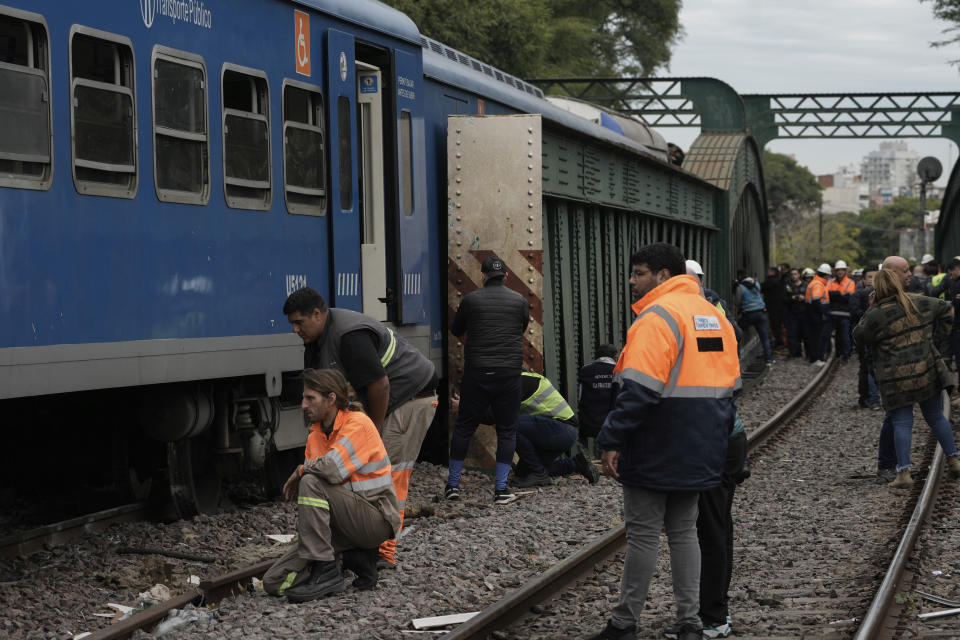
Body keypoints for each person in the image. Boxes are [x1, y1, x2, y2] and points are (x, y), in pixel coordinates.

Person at [586, 243, 740, 640]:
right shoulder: (713, 317)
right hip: (703, 446)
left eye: (638, 273)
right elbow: (731, 389)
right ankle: (690, 622)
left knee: (641, 534)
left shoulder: (657, 318)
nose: (632, 282)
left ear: (663, 276)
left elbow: (638, 390)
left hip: (656, 441)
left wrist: (612, 439)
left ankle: (623, 623)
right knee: (685, 532)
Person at [283, 287, 437, 569]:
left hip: (410, 397)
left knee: (390, 471)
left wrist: (373, 433)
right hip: (386, 400)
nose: (295, 330)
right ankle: (360, 546)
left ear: (317, 314)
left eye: (299, 322)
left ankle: (384, 553)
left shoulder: (348, 336)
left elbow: (380, 385)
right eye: (292, 324)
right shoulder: (316, 340)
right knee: (359, 472)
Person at [263, 369, 400, 602]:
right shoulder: (314, 436)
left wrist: (300, 470)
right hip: (340, 527)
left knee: (310, 480)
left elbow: (330, 469)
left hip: (374, 521)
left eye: (310, 398)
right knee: (273, 582)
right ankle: (347, 561)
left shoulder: (358, 424)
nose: (303, 405)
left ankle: (326, 571)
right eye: (303, 398)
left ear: (331, 399)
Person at [852, 271, 960, 488]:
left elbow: (859, 336)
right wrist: (936, 340)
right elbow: (948, 309)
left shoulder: (877, 314)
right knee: (936, 417)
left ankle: (904, 473)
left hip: (896, 379)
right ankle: (954, 459)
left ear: (877, 289)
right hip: (927, 371)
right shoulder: (919, 301)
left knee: (902, 422)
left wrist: (871, 307)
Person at [447, 255, 531, 505]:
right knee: (507, 431)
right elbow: (521, 327)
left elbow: (456, 329)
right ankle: (501, 490)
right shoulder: (520, 301)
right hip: (508, 375)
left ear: (482, 276)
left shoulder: (471, 300)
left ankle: (452, 486)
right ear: (506, 276)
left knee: (464, 427)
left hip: (478, 373)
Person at [506, 371, 600, 487]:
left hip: (561, 429)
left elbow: (494, 414)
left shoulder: (518, 382)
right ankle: (576, 464)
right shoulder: (526, 379)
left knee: (510, 426)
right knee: (524, 472)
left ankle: (538, 473)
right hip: (561, 432)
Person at [577, 344, 619, 450]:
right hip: (610, 425)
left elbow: (580, 397)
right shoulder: (618, 371)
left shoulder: (585, 370)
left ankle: (585, 458)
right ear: (615, 358)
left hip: (588, 425)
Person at [851, 268, 880, 409]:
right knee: (866, 366)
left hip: (874, 335)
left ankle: (869, 397)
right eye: (869, 277)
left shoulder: (881, 294)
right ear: (863, 279)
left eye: (874, 276)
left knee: (869, 366)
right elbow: (854, 313)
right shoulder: (859, 294)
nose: (871, 279)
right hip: (866, 336)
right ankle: (868, 397)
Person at [735, 269, 772, 365]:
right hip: (761, 313)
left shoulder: (740, 287)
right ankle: (768, 360)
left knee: (736, 333)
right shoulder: (756, 284)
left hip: (749, 314)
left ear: (739, 277)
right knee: (764, 337)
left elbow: (738, 302)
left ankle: (736, 357)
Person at [826, 260, 856, 361]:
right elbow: (827, 295)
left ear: (845, 271)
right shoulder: (830, 282)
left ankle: (846, 355)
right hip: (833, 314)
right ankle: (836, 353)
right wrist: (840, 294)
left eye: (842, 270)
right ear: (835, 271)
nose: (840, 272)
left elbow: (848, 298)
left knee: (845, 336)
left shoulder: (850, 282)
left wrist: (835, 295)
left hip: (845, 315)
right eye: (838, 270)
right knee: (835, 336)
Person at [804, 263, 832, 366]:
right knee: (818, 338)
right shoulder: (818, 285)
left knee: (814, 337)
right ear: (826, 275)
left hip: (812, 314)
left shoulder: (814, 282)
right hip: (817, 315)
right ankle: (816, 358)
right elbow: (816, 301)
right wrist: (823, 313)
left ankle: (814, 357)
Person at [784, 268, 807, 359]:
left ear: (799, 275)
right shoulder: (788, 286)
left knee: (804, 334)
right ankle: (794, 352)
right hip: (792, 313)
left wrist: (804, 298)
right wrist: (792, 298)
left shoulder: (805, 285)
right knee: (793, 334)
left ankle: (805, 352)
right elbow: (784, 298)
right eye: (792, 274)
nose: (794, 276)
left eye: (795, 274)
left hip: (804, 313)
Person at [762, 266, 785, 350]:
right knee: (777, 326)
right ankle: (779, 342)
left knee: (775, 326)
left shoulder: (771, 281)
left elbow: (762, 287)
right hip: (778, 307)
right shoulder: (779, 281)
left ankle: (779, 343)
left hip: (773, 307)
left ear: (772, 272)